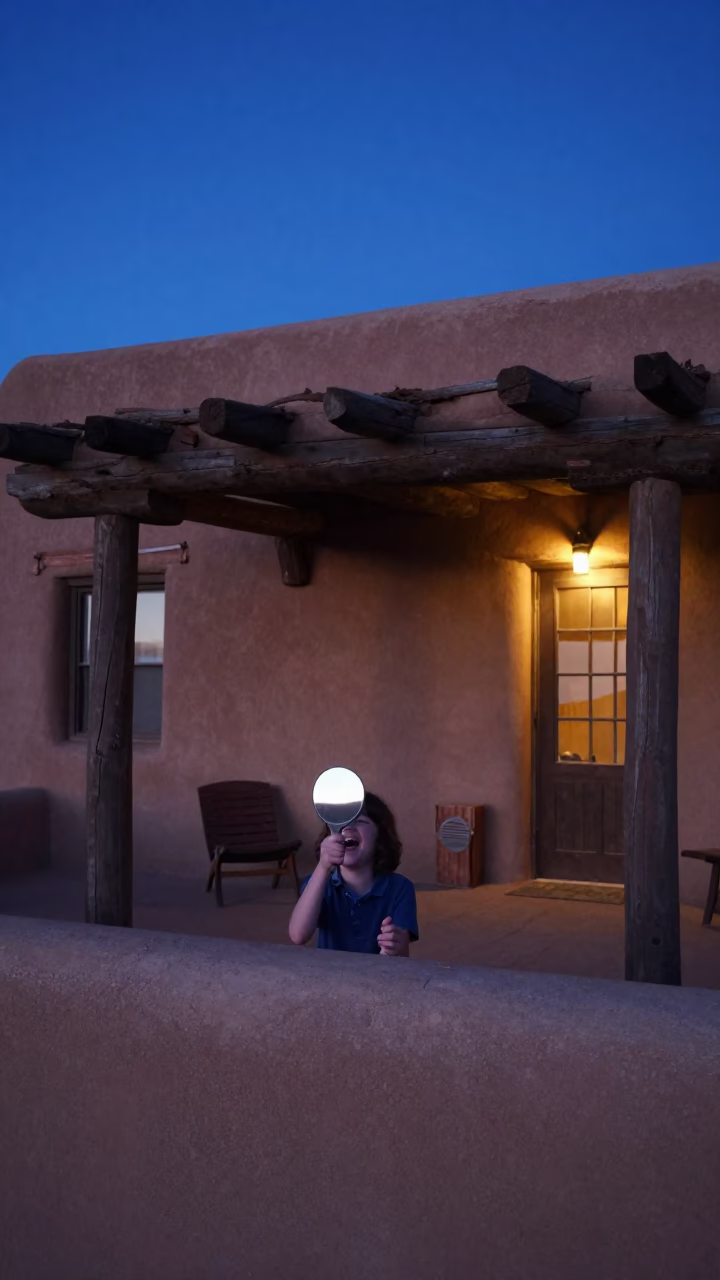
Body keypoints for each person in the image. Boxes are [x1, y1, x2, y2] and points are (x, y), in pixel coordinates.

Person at [288, 792, 418, 956]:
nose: (348, 827)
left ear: (380, 836)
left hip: (378, 975)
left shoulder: (400, 888)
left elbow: (402, 955)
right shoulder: (318, 884)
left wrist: (394, 947)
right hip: (330, 976)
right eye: (341, 821)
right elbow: (298, 936)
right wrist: (322, 866)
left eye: (360, 821)